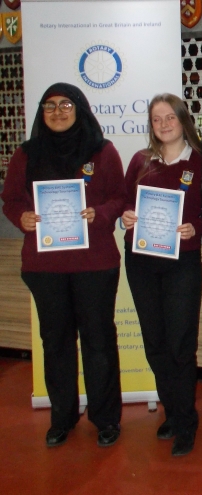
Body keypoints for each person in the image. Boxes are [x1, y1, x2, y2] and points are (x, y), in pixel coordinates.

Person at [2, 83, 125, 448]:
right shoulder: (26, 154)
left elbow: (119, 196)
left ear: (80, 109)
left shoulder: (103, 151)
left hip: (95, 263)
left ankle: (106, 418)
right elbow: (10, 199)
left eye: (66, 105)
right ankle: (62, 417)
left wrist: (100, 213)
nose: (57, 112)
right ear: (42, 112)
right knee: (55, 342)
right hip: (45, 266)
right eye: (50, 106)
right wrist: (21, 217)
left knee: (99, 341)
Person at [121, 94, 202, 457]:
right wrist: (126, 215)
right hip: (140, 260)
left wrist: (196, 227)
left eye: (170, 117)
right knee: (154, 342)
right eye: (157, 119)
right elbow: (124, 200)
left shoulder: (200, 161)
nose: (164, 124)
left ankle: (186, 422)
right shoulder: (140, 161)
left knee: (180, 343)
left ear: (183, 121)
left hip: (181, 262)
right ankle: (172, 410)